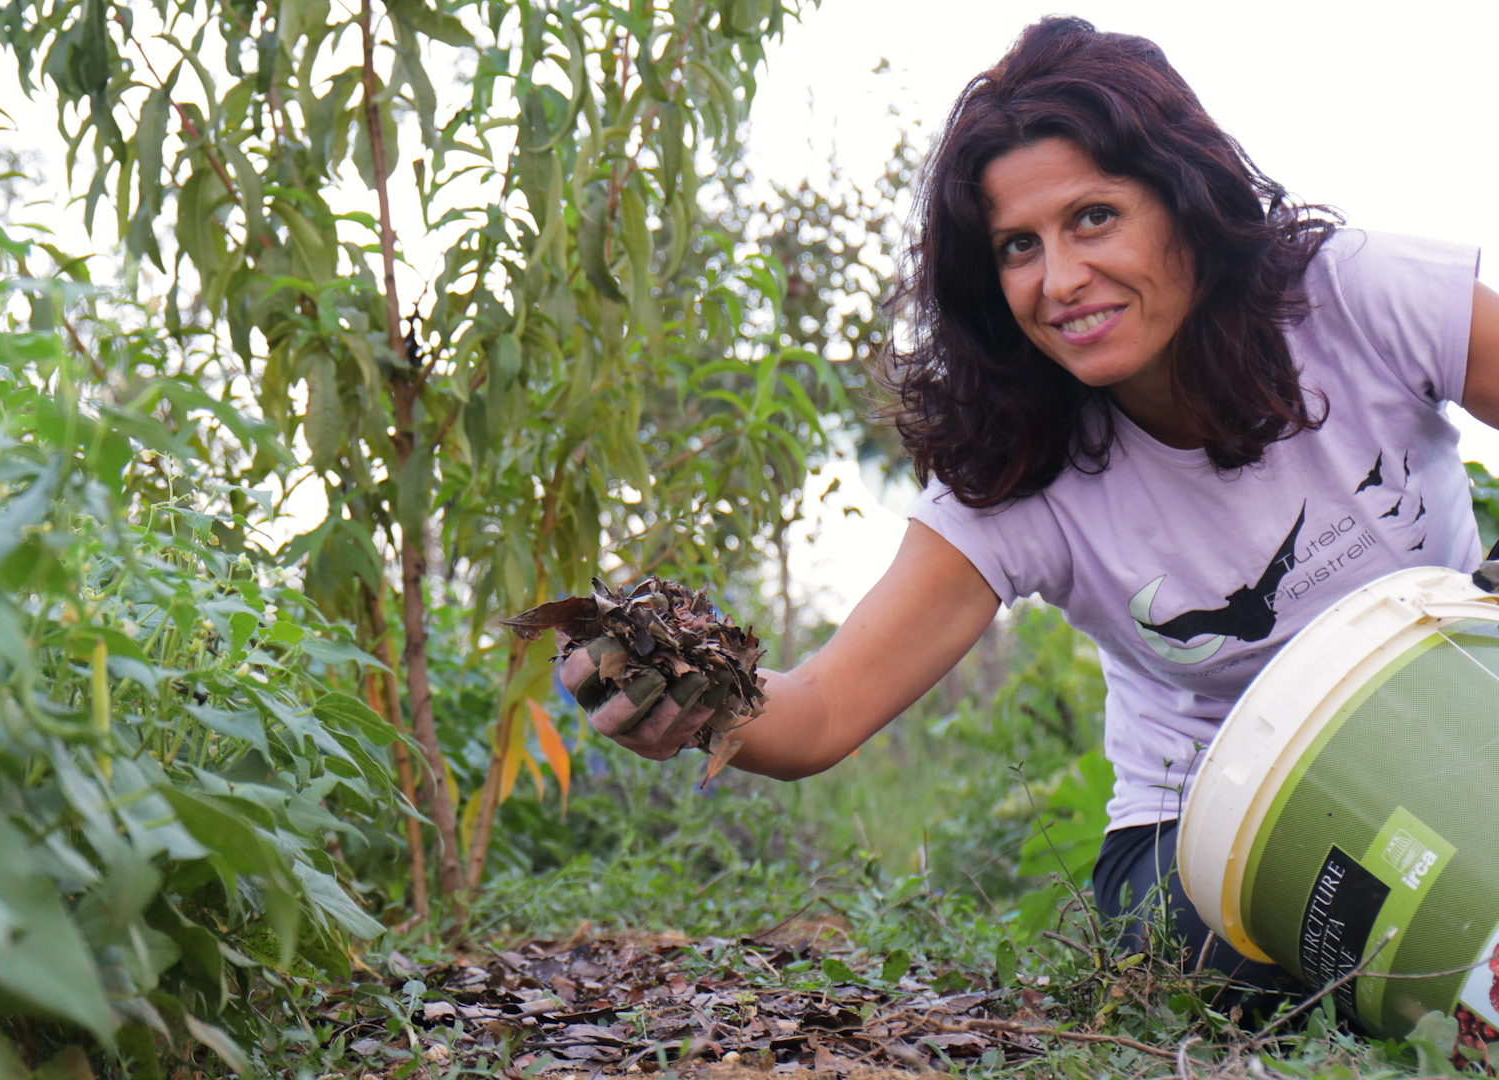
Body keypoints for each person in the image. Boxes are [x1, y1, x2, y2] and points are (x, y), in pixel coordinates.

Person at [561, 16, 1499, 993]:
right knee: (1393, 921)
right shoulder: (1020, 474)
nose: (1060, 281)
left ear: (1183, 202)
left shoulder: (1348, 297)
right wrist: (693, 697)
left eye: (1094, 217)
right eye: (1018, 245)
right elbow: (825, 709)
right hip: (1214, 846)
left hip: (1459, 728)